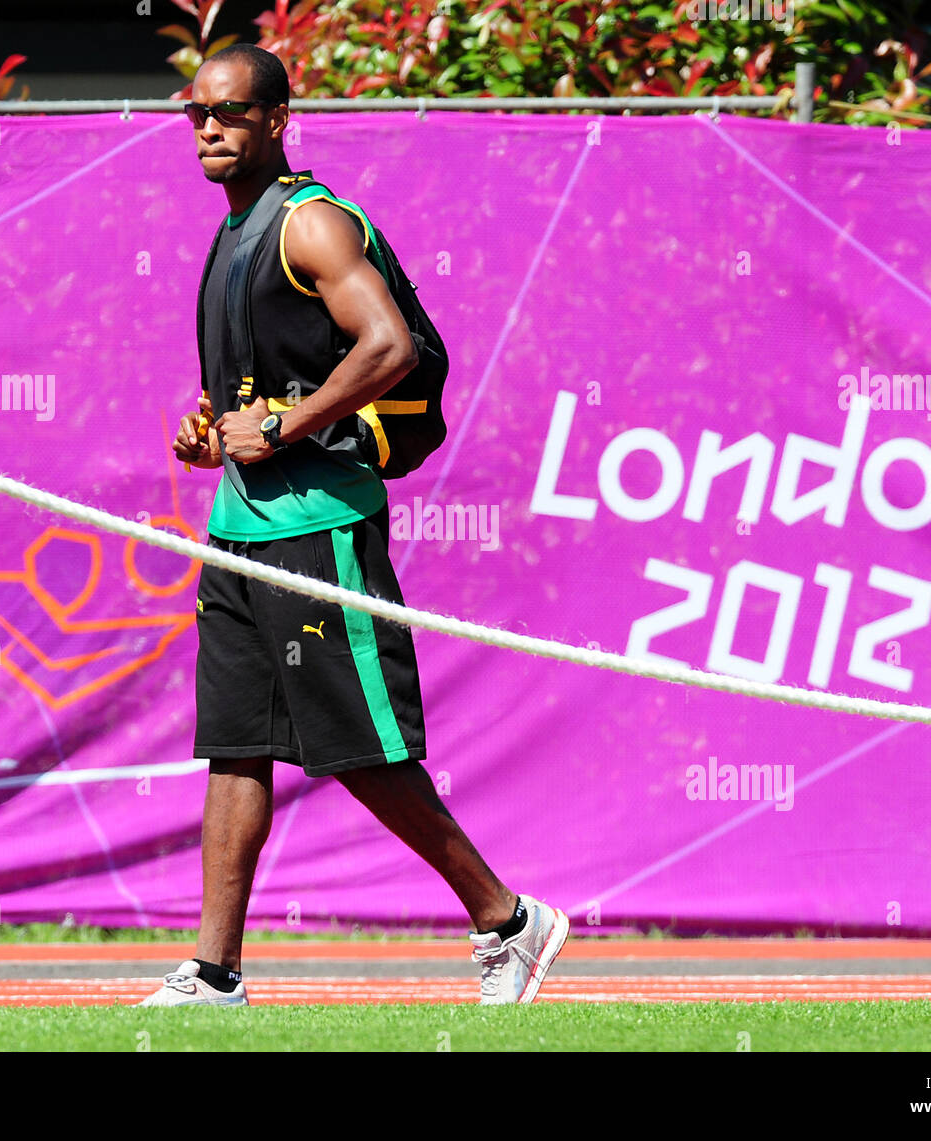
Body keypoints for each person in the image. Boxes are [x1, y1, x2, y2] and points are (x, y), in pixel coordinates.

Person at [141, 44, 567, 1008]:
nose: (209, 127)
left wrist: (288, 424)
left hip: (318, 526)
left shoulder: (310, 223)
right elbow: (262, 390)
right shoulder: (232, 232)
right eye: (196, 113)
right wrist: (217, 429)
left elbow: (390, 345)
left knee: (357, 746)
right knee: (238, 743)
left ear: (277, 119)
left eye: (231, 112)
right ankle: (214, 974)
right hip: (241, 526)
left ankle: (507, 918)